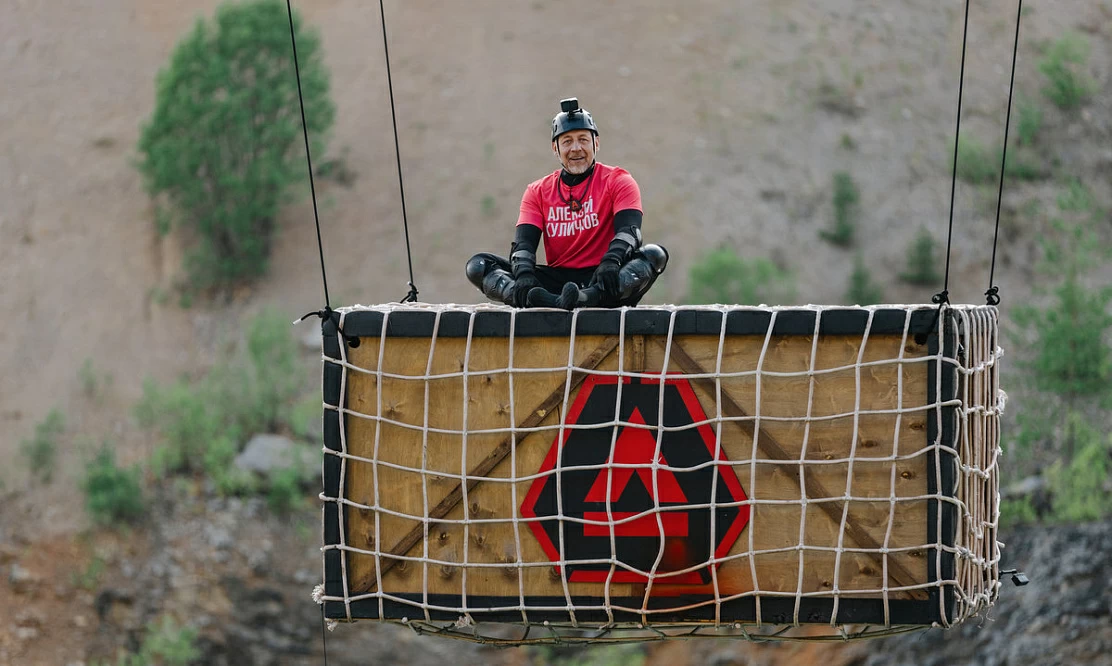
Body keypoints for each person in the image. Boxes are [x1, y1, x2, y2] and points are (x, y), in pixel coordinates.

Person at [466, 97, 668, 309]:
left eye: (583, 139)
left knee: (655, 255)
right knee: (478, 266)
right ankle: (542, 299)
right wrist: (524, 276)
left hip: (603, 278)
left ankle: (586, 298)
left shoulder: (619, 180)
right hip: (557, 283)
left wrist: (611, 261)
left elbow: (630, 231)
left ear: (596, 143)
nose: (576, 148)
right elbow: (524, 244)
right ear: (555, 148)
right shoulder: (537, 191)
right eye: (567, 141)